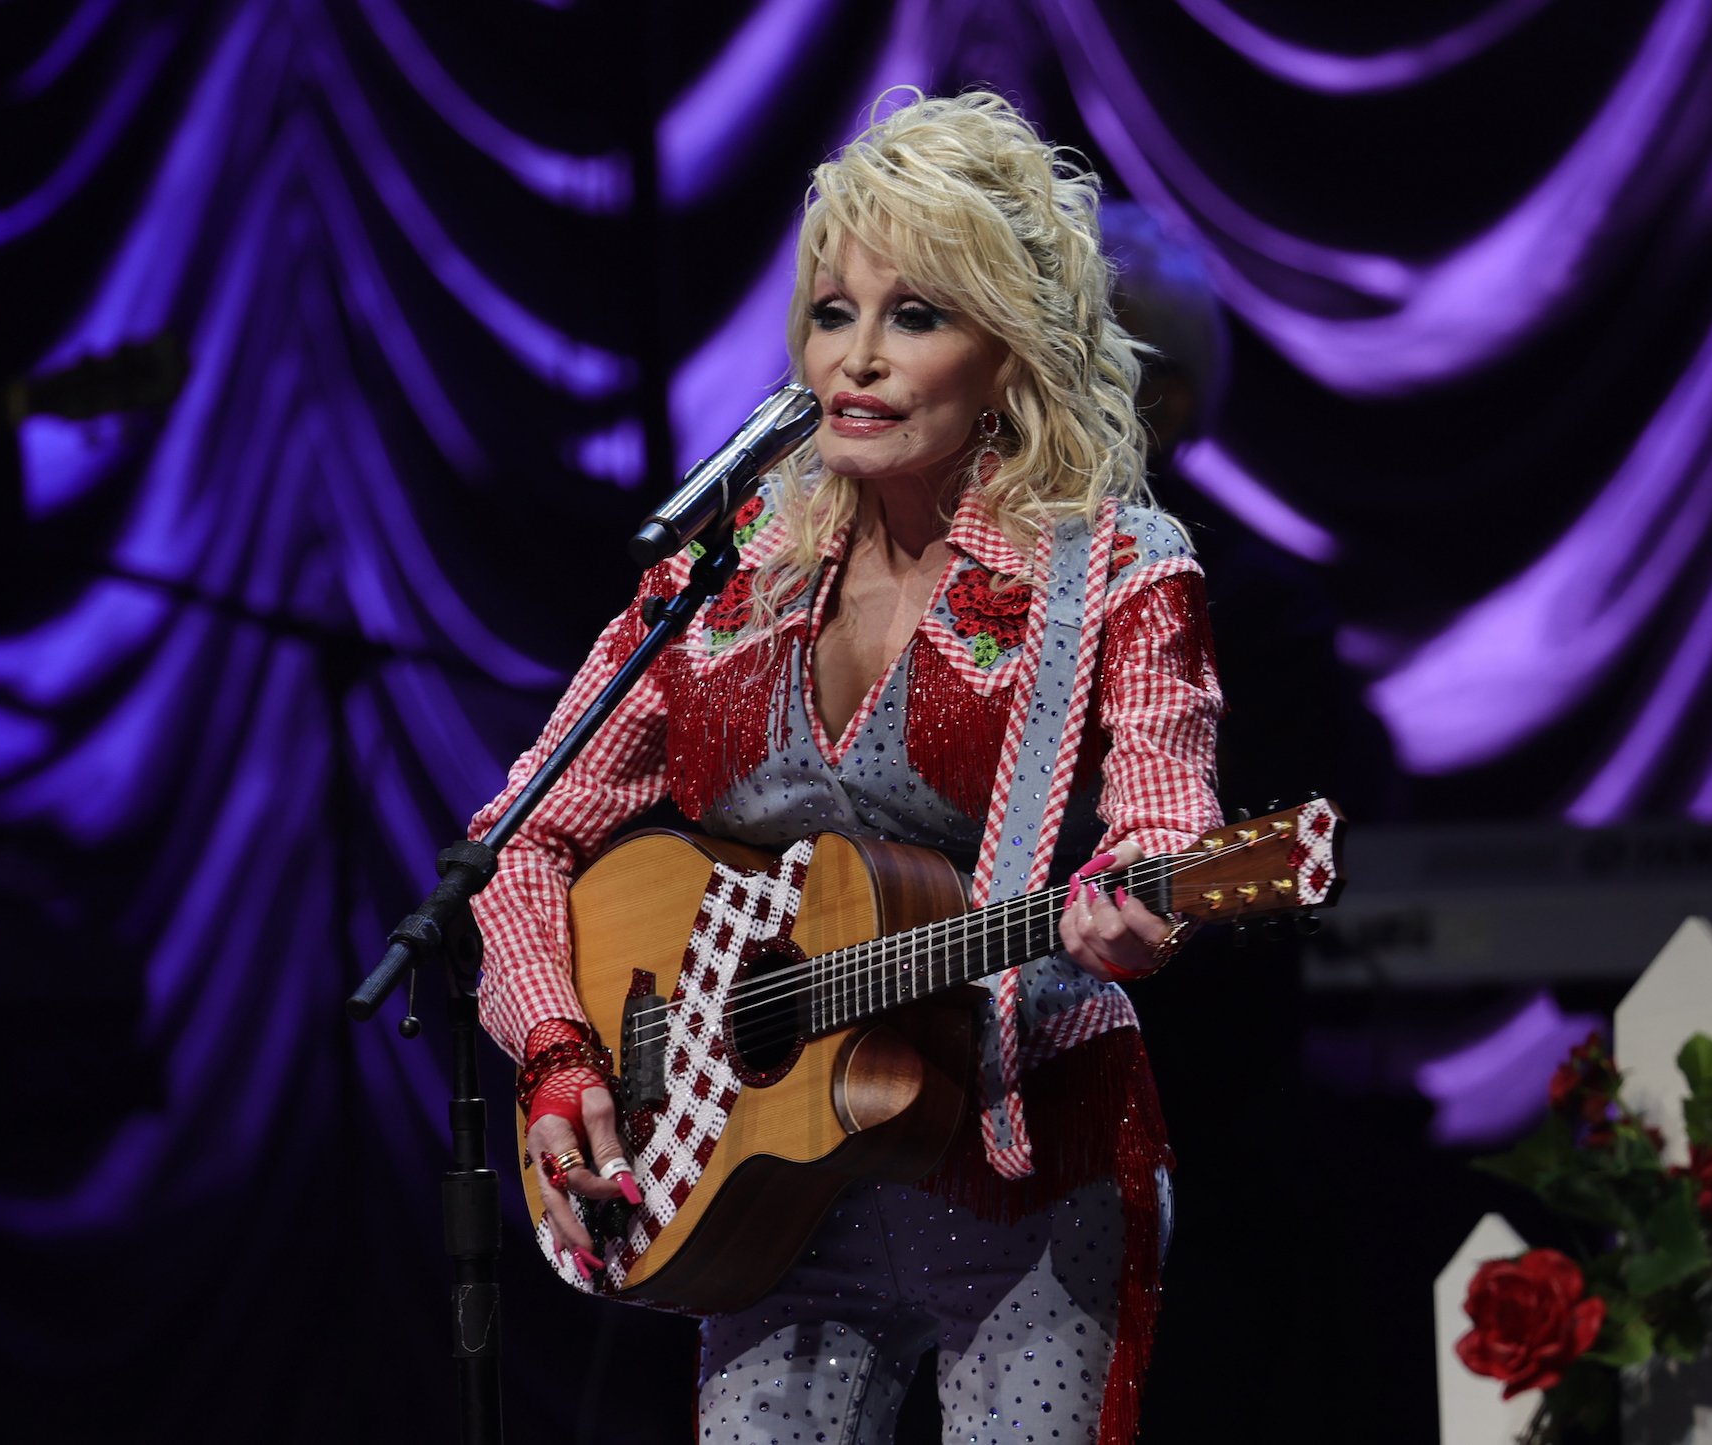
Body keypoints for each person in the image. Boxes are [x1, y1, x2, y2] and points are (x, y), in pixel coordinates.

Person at [469, 90, 1224, 1444]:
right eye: (834, 313)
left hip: (1028, 1165)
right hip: (760, 1186)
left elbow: (1169, 825)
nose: (859, 360)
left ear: (1008, 350)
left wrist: (1138, 900)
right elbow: (523, 836)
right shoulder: (733, 569)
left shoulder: (1112, 566)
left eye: (916, 315)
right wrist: (562, 1056)